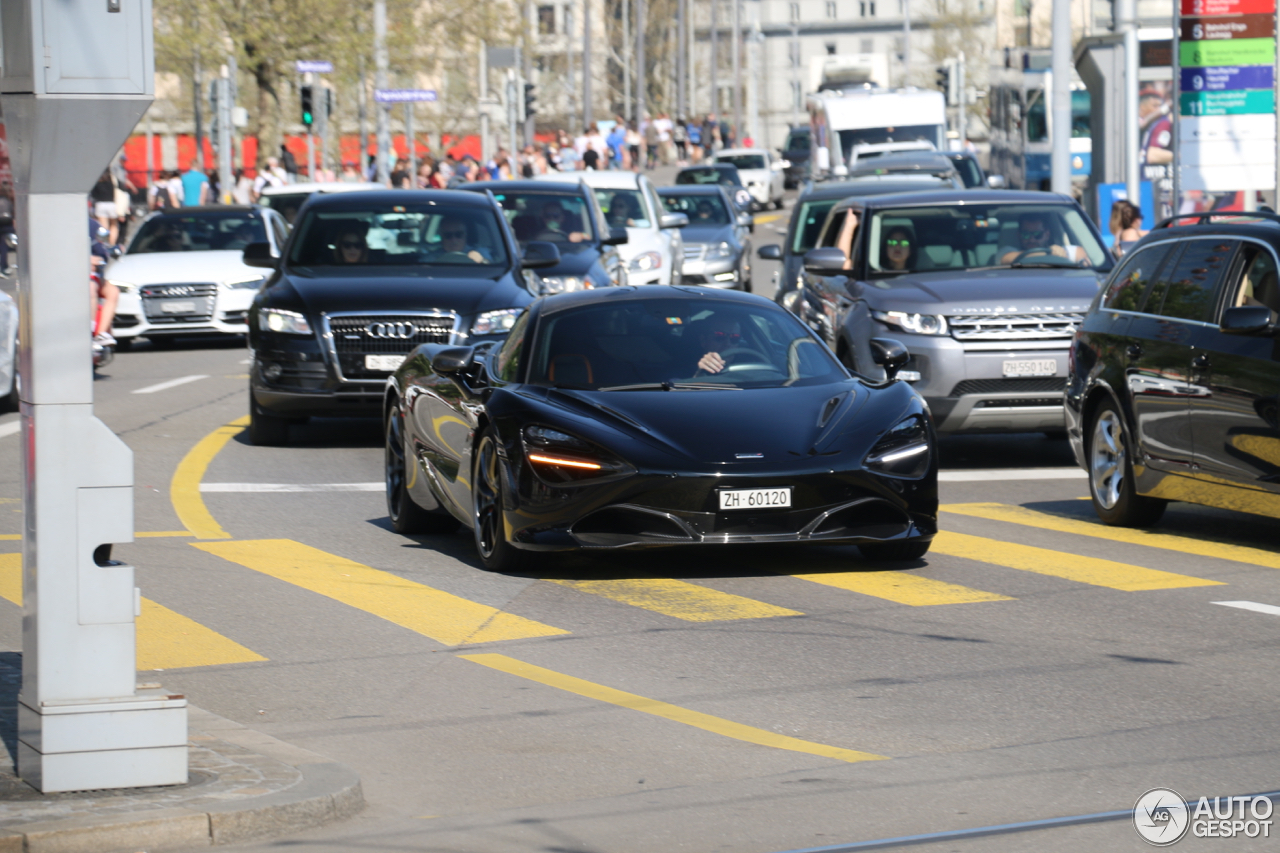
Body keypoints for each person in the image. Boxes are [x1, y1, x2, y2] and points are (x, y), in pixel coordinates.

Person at [999, 212, 1086, 264]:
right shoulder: (1007, 251)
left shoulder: (1059, 251)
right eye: (1026, 234)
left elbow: (1089, 256)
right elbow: (1006, 259)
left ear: (1047, 235)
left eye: (1037, 234)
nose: (1032, 239)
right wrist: (1049, 253)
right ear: (1019, 235)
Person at [427, 217, 491, 263]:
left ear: (465, 235)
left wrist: (482, 261)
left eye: (458, 234)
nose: (453, 240)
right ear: (441, 238)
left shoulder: (480, 252)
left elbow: (492, 271)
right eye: (448, 235)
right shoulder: (432, 258)